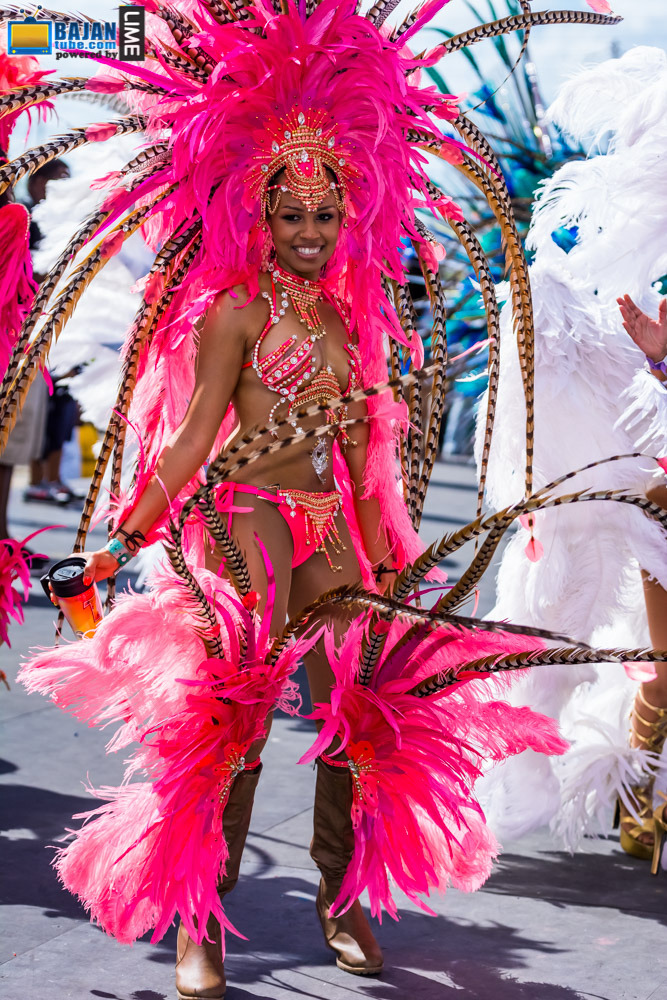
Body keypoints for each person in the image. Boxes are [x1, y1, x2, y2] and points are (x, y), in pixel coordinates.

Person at [6, 2, 632, 998]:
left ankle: (340, 898)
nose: (307, 229)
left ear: (351, 214)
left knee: (363, 706)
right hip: (245, 514)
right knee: (235, 718)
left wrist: (391, 554)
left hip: (333, 526)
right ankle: (198, 921)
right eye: (290, 214)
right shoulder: (233, 315)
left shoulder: (353, 318)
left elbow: (364, 449)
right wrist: (121, 537)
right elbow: (189, 438)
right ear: (260, 214)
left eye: (324, 213)